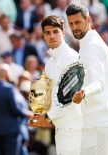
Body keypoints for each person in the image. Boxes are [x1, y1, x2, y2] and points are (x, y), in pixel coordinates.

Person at [66, 3, 108, 155]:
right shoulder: (90, 44)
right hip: (99, 118)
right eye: (71, 23)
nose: (74, 27)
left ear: (88, 20)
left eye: (78, 22)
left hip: (99, 121)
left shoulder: (91, 46)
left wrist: (83, 92)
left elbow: (99, 83)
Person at [28, 15, 82, 155]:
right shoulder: (50, 63)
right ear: (44, 36)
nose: (52, 36)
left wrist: (46, 117)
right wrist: (39, 113)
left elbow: (70, 99)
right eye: (47, 33)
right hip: (61, 126)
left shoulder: (72, 58)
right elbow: (48, 96)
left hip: (75, 127)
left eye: (55, 31)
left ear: (63, 33)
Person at [0, 63, 32, 155]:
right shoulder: (9, 89)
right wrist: (28, 114)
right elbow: (15, 109)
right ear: (6, 73)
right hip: (11, 130)